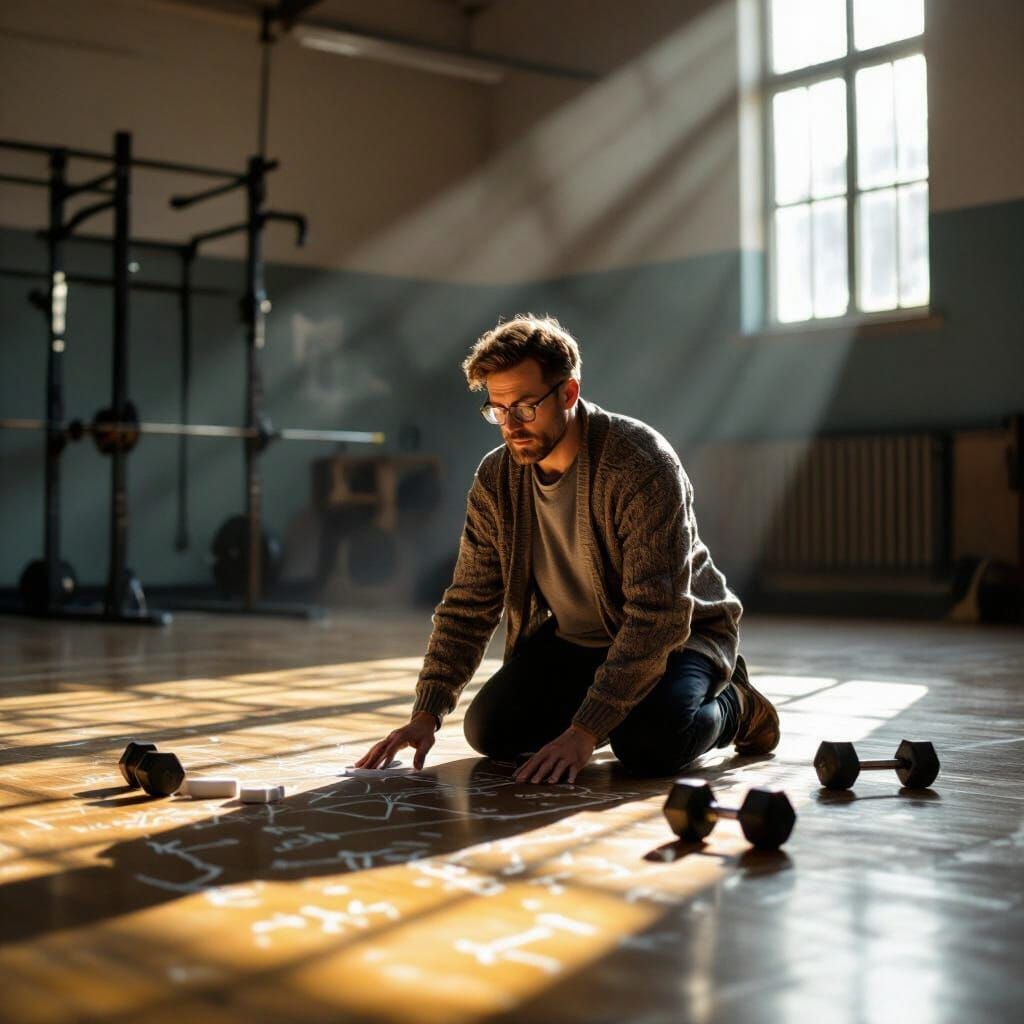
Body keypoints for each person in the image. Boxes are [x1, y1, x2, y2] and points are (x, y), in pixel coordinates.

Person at [355, 315, 779, 783]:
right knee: (491, 731)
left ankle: (737, 703)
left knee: (649, 745)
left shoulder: (639, 464)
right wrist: (427, 712)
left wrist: (584, 729)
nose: (510, 425)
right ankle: (612, 706)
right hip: (579, 642)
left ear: (568, 394)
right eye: (498, 409)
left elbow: (657, 617)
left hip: (680, 636)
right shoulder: (496, 479)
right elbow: (469, 603)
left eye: (525, 407)